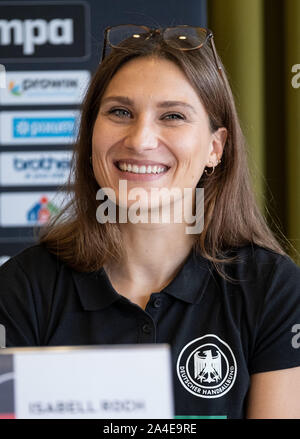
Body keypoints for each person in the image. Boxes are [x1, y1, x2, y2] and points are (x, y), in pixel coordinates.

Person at [0, 25, 299, 419]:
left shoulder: (273, 288)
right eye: (120, 112)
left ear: (215, 147)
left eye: (173, 116)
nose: (141, 139)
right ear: (91, 135)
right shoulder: (23, 287)